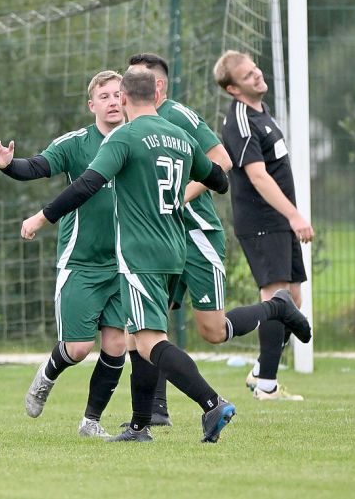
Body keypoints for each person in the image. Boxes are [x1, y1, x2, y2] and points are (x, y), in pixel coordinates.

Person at [20, 68, 235, 443]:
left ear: (124, 98)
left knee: (150, 343)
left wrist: (43, 217)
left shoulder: (126, 137)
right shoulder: (180, 136)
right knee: (135, 340)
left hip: (140, 255)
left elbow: (87, 184)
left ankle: (212, 403)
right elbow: (219, 180)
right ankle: (139, 426)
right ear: (156, 94)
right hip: (174, 250)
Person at [127, 54, 313, 423]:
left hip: (196, 233)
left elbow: (222, 161)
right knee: (145, 322)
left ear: (156, 86)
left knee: (211, 331)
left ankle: (276, 309)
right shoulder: (132, 124)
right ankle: (154, 411)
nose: (126, 90)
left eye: (133, 81)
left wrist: (179, 196)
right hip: (162, 236)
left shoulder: (178, 116)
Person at [0, 70, 127, 439]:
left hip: (123, 263)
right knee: (79, 348)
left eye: (118, 94)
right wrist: (8, 165)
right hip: (81, 262)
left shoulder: (136, 140)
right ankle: (47, 374)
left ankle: (91, 422)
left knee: (117, 345)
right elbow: (37, 166)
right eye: (105, 96)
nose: (113, 102)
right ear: (92, 105)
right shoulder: (77, 143)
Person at [215, 49, 314, 400]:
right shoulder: (240, 121)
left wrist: (289, 215)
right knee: (275, 297)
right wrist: (294, 215)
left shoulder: (262, 111)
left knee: (293, 299)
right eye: (247, 75)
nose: (257, 74)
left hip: (279, 219)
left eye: (254, 68)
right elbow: (257, 176)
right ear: (233, 89)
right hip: (262, 221)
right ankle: (267, 386)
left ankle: (260, 371)